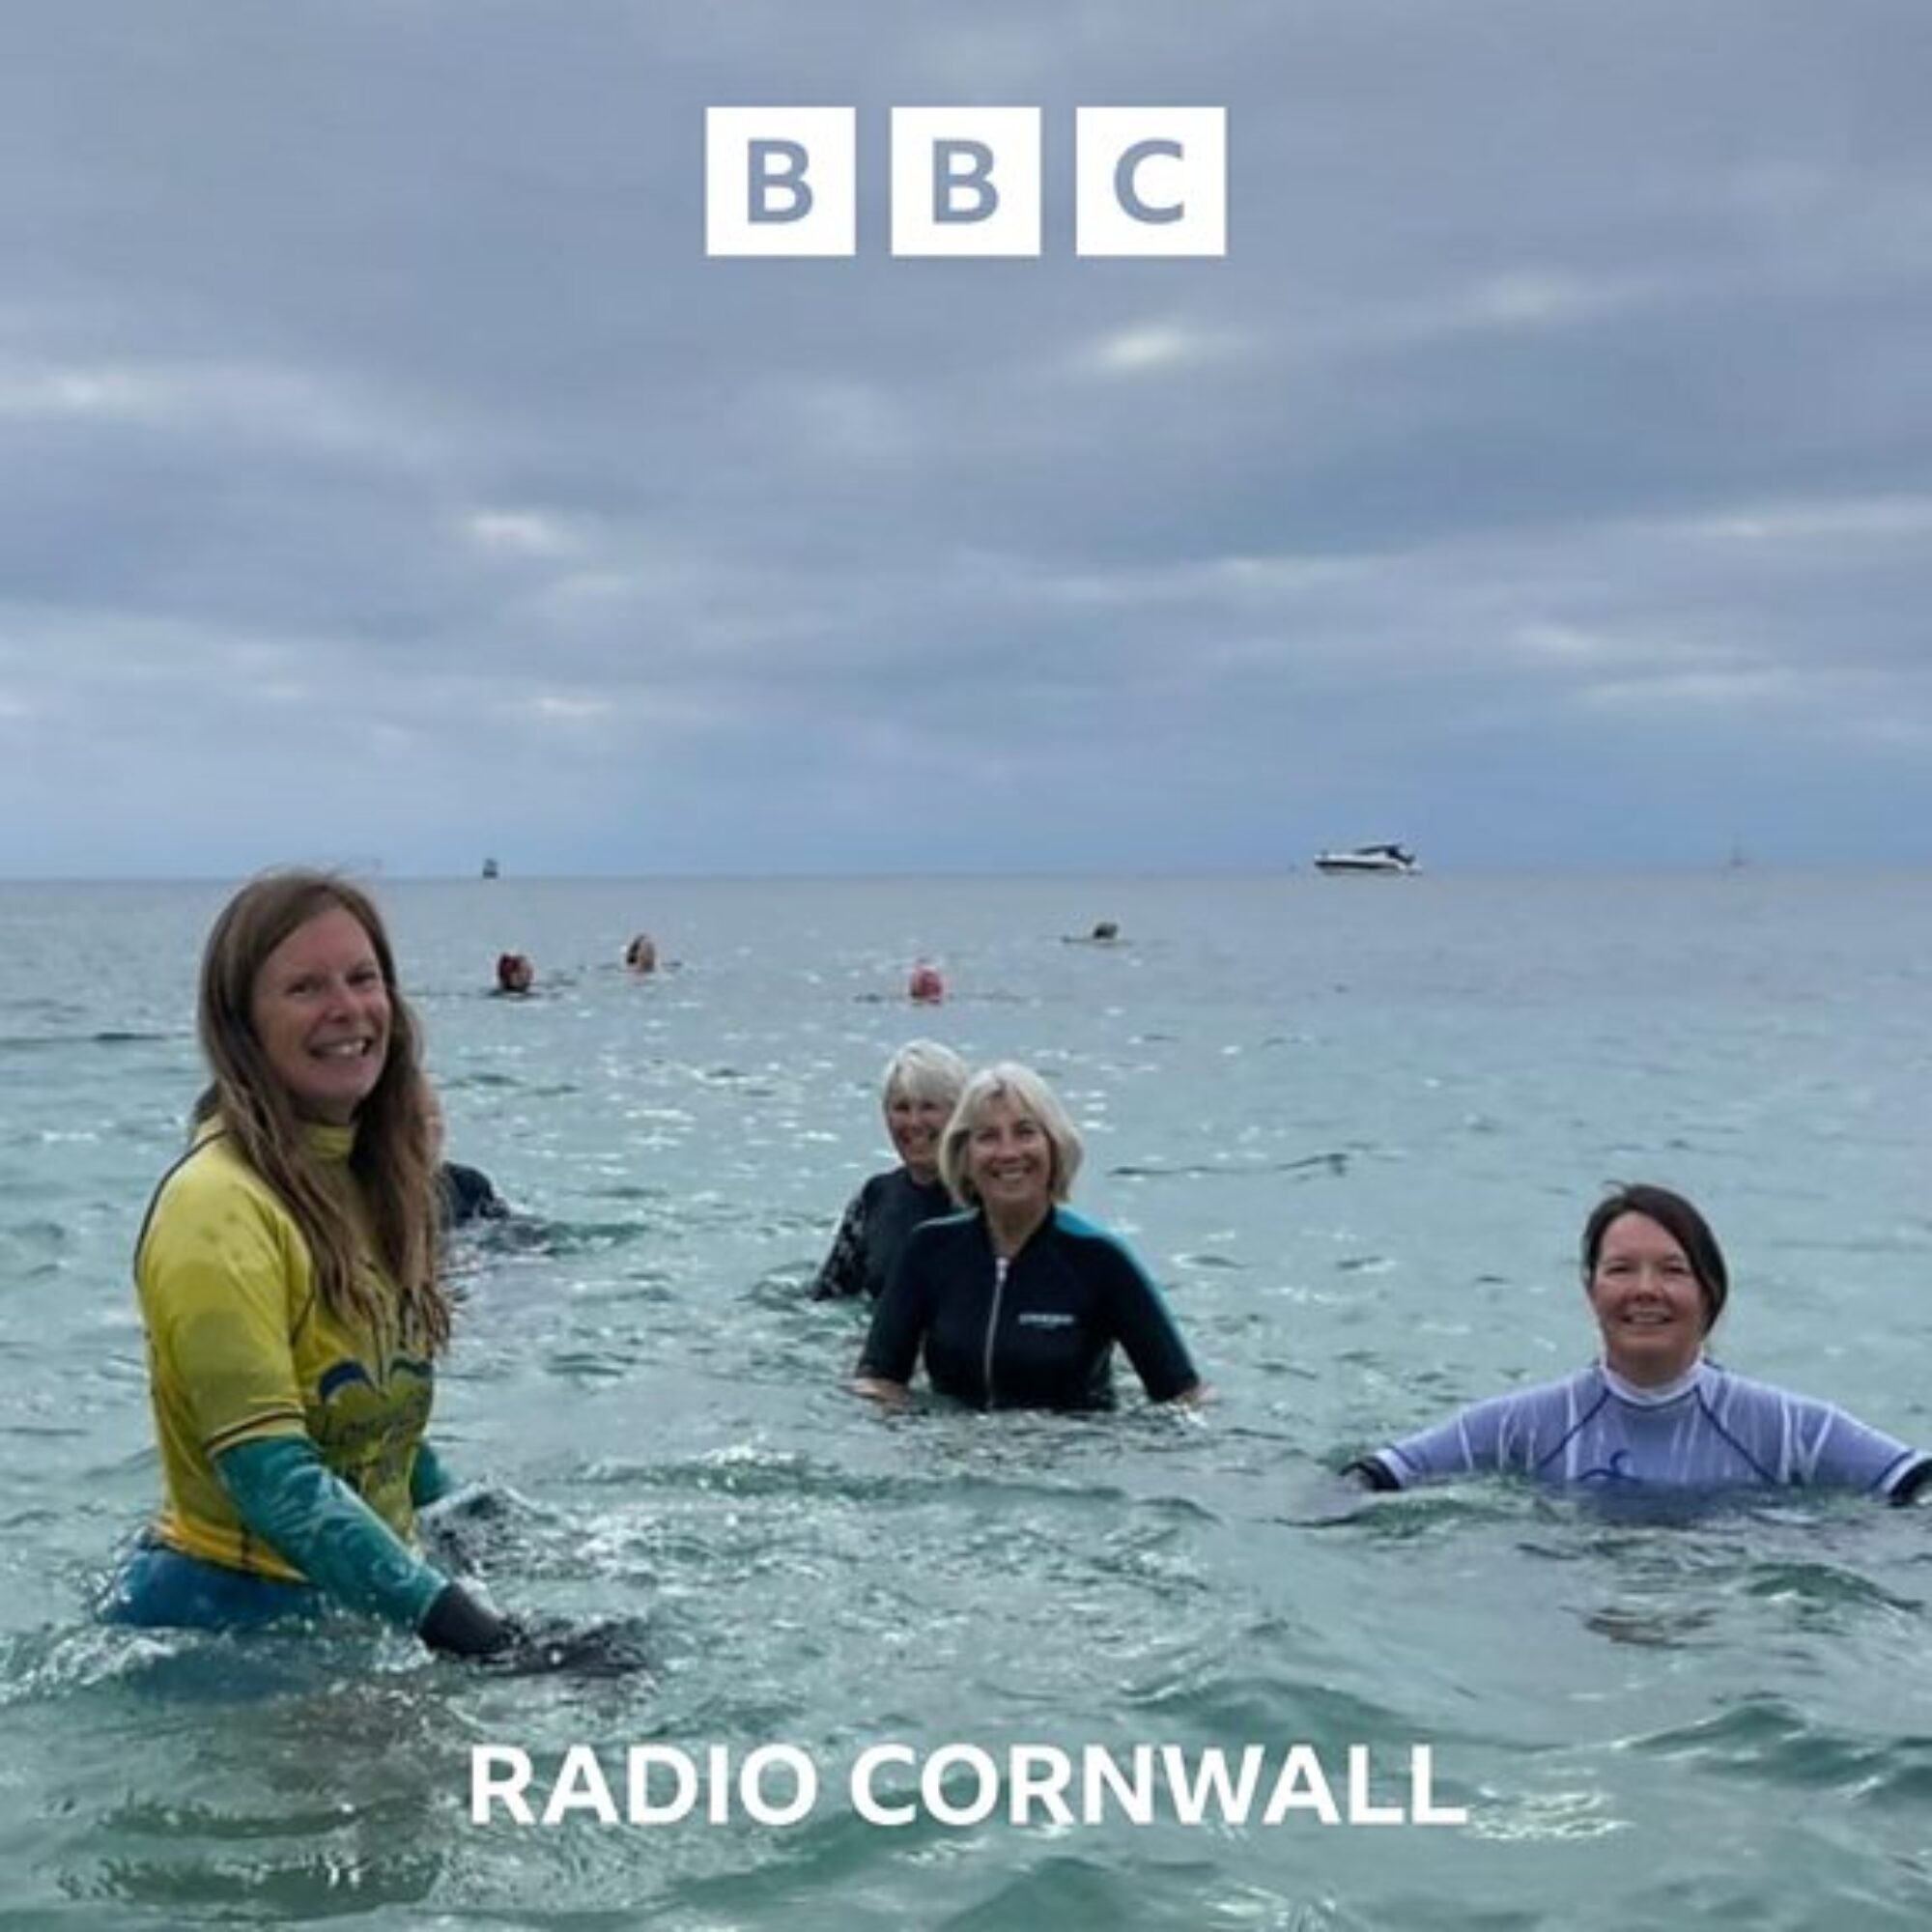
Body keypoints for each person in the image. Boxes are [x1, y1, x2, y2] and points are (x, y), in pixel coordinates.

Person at [102, 870, 614, 1666]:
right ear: (242, 1027)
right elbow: (273, 1477)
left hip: (353, 1612)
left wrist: (470, 1518)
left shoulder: (377, 1180)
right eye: (305, 987)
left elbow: (374, 1426)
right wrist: (482, 1638)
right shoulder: (216, 1206)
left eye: (362, 978)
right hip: (221, 1636)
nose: (346, 1009)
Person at [1348, 1183, 1931, 1503]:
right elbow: (1374, 1478)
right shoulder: (1520, 1426)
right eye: (1621, 1269)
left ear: (1709, 1293)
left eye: (1673, 1271)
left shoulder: (1789, 1428)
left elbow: (1914, 1486)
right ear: (1591, 1291)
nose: (1646, 1291)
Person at [855, 1062, 1205, 1411]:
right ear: (964, 1156)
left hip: (1068, 1454)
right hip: (952, 1456)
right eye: (988, 1136)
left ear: (1054, 1147)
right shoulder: (928, 1250)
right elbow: (877, 1381)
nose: (1008, 1153)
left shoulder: (1100, 1259)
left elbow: (1185, 1397)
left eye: (1025, 1132)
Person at [813, 1041, 969, 1303]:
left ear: (960, 1114)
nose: (914, 1122)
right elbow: (828, 1296)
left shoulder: (987, 1197)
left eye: (928, 1107)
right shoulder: (875, 1197)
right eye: (901, 1108)